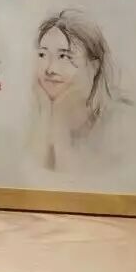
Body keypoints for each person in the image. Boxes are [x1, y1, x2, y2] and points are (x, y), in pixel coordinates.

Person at [27, 10, 111, 173]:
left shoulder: (117, 125)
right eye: (42, 54)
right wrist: (45, 113)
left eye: (64, 57)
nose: (49, 69)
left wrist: (61, 122)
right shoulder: (30, 118)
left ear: (94, 67)